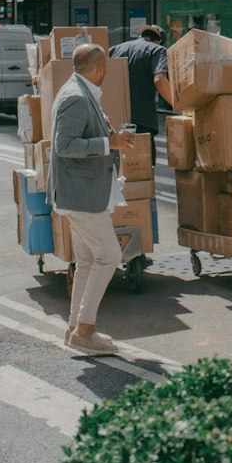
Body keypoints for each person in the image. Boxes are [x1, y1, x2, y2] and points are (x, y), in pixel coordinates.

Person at [51, 42, 136, 357]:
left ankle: (76, 328)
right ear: (100, 69)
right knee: (109, 256)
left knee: (87, 260)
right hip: (82, 194)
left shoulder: (77, 91)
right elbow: (64, 145)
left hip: (81, 191)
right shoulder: (75, 97)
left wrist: (111, 141)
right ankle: (85, 330)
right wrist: (108, 142)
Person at [108, 24, 173, 164]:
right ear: (159, 40)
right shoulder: (158, 50)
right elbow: (160, 79)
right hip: (141, 121)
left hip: (115, 120)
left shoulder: (115, 49)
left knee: (120, 168)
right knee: (141, 170)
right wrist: (177, 104)